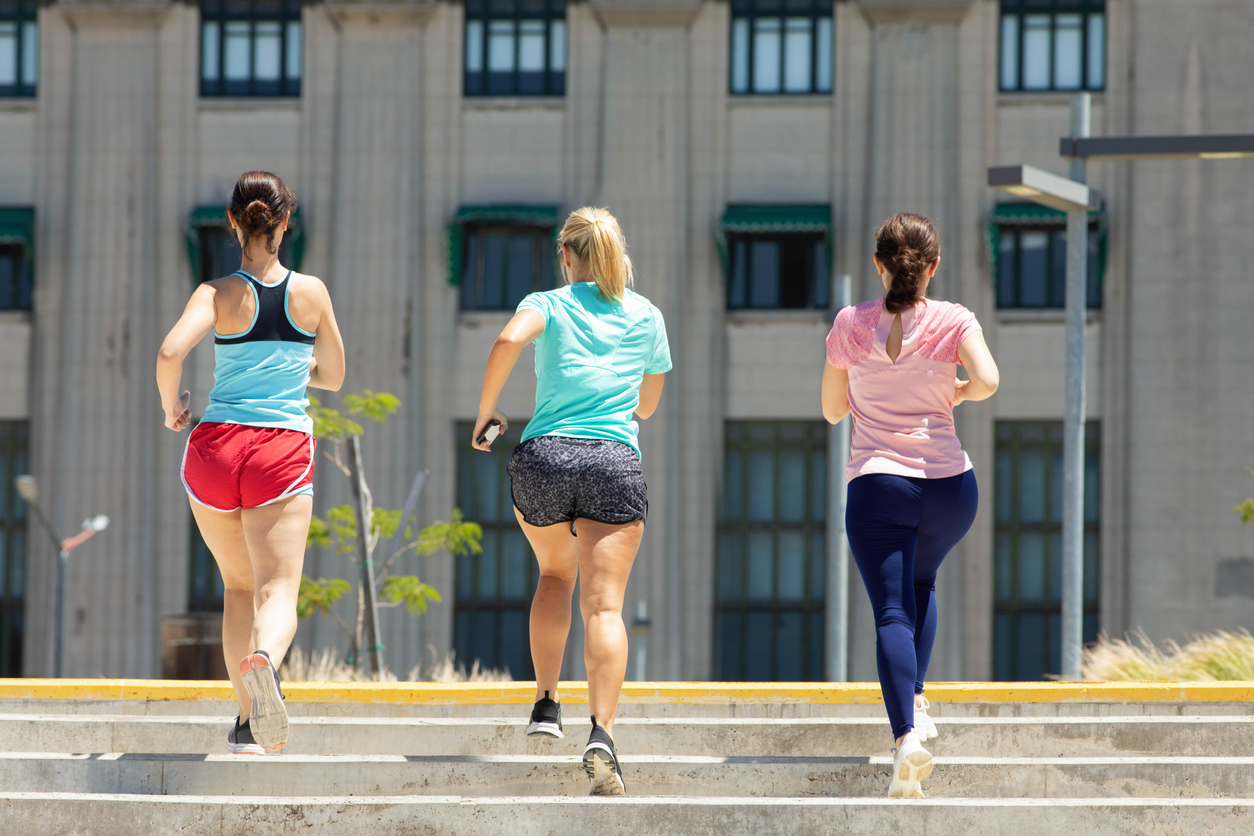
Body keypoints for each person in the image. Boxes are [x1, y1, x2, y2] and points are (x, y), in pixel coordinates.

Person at [472, 207, 671, 796]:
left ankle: (545, 705)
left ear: (566, 256)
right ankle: (602, 735)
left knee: (555, 575)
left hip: (545, 458)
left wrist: (487, 411)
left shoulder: (549, 302)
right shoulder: (647, 315)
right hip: (612, 459)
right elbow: (648, 405)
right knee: (604, 608)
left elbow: (508, 339)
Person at [156, 171, 345, 755]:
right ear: (286, 223)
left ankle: (245, 725)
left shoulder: (214, 293)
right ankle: (265, 657)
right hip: (278, 450)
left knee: (237, 587)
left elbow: (169, 352)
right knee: (278, 589)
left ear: (233, 223)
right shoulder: (311, 293)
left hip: (214, 449)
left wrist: (173, 409)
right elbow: (334, 376)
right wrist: (297, 369)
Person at [822, 212, 999, 798]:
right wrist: (958, 390)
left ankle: (906, 741)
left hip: (878, 486)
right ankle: (918, 700)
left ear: (879, 265)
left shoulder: (851, 323)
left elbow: (830, 409)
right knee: (922, 585)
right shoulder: (953, 319)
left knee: (892, 612)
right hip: (951, 488)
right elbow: (990, 379)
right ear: (934, 266)